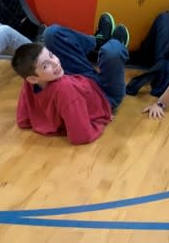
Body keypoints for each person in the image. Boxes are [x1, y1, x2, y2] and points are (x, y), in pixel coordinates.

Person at [11, 15, 130, 145]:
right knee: (112, 51)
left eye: (51, 55)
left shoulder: (31, 80)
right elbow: (82, 136)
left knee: (51, 33)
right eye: (45, 66)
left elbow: (23, 120)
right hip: (106, 95)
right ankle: (116, 42)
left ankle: (97, 43)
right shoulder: (65, 90)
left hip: (79, 78)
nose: (55, 63)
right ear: (33, 78)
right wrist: (100, 115)